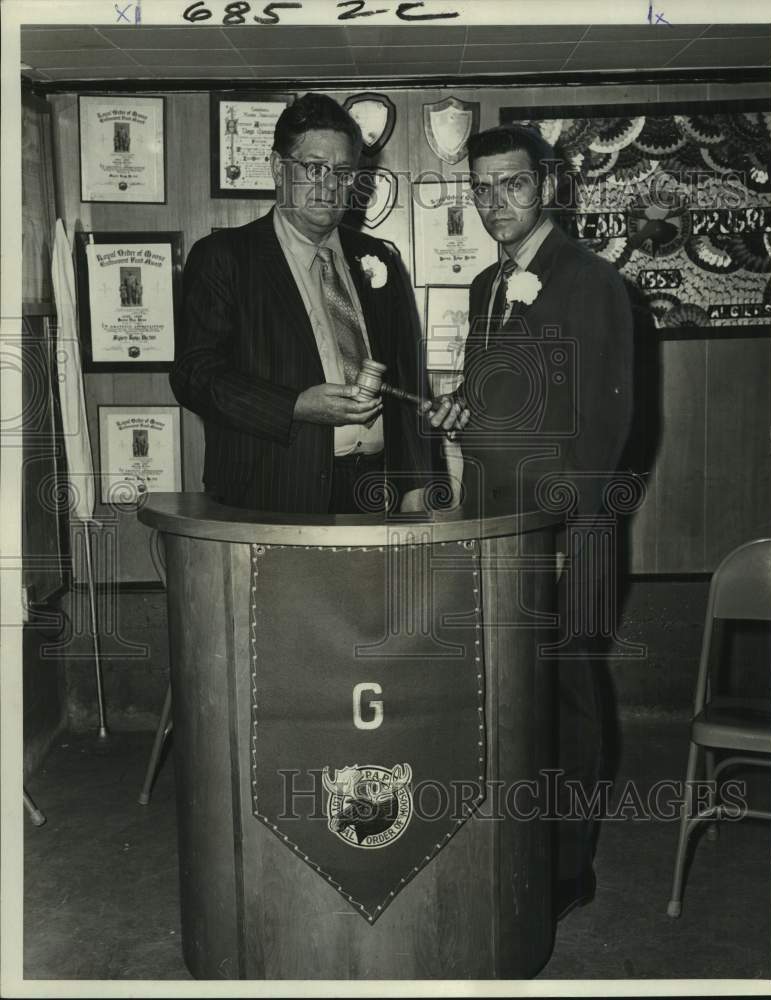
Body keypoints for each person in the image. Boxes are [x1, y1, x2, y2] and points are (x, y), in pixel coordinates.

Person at [453, 124, 634, 919]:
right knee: (510, 696)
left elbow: (604, 429)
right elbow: (503, 411)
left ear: (549, 184)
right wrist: (458, 410)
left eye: (513, 185)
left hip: (566, 535)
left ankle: (567, 869)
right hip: (501, 531)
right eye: (483, 188)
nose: (497, 203)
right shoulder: (486, 285)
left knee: (564, 698)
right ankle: (521, 846)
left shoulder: (590, 281)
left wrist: (564, 540)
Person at [172, 93, 449, 515]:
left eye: (342, 173)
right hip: (272, 493)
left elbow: (407, 379)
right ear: (276, 168)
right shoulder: (224, 257)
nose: (328, 186)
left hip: (377, 494)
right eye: (314, 168)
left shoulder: (379, 258)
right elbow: (194, 376)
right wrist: (296, 406)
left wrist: (418, 486)